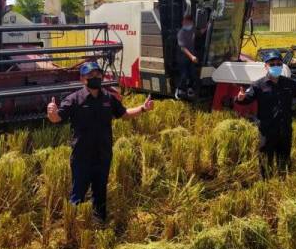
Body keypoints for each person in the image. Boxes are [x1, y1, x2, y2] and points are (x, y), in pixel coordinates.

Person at [47, 61, 154, 222]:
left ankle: (99, 224)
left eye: (97, 74)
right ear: (82, 79)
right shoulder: (74, 99)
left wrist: (143, 108)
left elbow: (124, 114)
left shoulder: (108, 98)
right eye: (90, 75)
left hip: (103, 154)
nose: (95, 77)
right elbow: (56, 118)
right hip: (82, 154)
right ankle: (73, 227)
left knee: (100, 192)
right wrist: (52, 113)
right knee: (78, 193)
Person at [236, 50, 296, 179]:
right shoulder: (258, 85)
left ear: (282, 66)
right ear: (266, 66)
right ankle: (266, 182)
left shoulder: (289, 83)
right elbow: (247, 99)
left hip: (285, 128)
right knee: (265, 159)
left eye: (278, 63)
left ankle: (283, 180)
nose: (275, 66)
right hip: (267, 130)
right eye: (272, 64)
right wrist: (240, 98)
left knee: (284, 159)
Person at [175, 14, 199, 99]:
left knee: (193, 74)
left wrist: (208, 25)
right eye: (184, 22)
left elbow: (199, 33)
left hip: (190, 59)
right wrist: (192, 56)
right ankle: (179, 90)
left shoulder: (192, 30)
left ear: (191, 22)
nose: (184, 23)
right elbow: (183, 48)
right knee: (184, 74)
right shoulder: (181, 33)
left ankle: (190, 88)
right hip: (182, 59)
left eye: (187, 22)